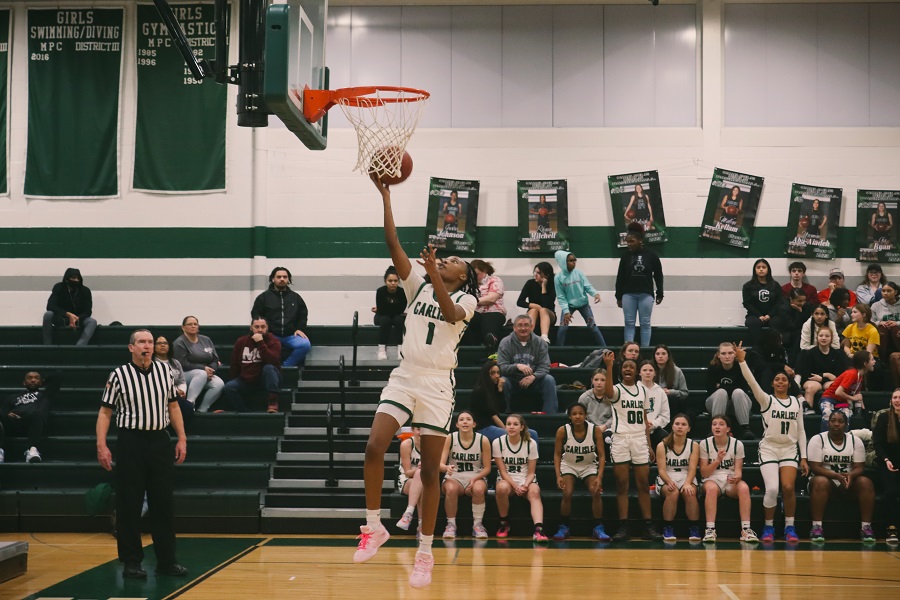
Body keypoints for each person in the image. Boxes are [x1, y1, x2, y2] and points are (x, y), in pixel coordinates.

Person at [354, 176, 478, 589]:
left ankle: (425, 552)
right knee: (374, 446)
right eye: (443, 260)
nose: (445, 262)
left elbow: (449, 314)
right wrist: (387, 196)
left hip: (438, 385)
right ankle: (374, 526)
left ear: (464, 277)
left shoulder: (466, 300)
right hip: (405, 375)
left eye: (453, 263)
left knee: (429, 474)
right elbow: (393, 245)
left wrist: (435, 277)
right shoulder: (417, 283)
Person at [95, 329, 188, 580]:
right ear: (131, 348)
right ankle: (132, 561)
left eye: (149, 341)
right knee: (129, 503)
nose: (147, 346)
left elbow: (173, 405)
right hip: (130, 441)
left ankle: (167, 561)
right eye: (141, 342)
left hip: (160, 440)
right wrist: (101, 445)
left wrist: (181, 438)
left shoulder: (164, 371)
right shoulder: (118, 375)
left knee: (163, 504)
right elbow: (105, 412)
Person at [735, 342, 808, 543]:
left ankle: (789, 527)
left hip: (789, 449)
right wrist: (742, 361)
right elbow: (751, 383)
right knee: (773, 489)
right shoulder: (766, 400)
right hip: (769, 449)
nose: (781, 382)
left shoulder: (796, 402)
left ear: (789, 383)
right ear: (773, 383)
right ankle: (768, 527)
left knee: (788, 488)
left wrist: (804, 457)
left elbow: (801, 430)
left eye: (784, 379)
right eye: (777, 379)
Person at [601, 350, 662, 541]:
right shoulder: (617, 389)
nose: (628, 369)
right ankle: (623, 526)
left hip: (639, 439)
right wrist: (609, 366)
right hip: (620, 438)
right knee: (622, 485)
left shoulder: (643, 390)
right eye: (625, 366)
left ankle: (647, 526)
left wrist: (649, 444)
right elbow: (608, 392)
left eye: (632, 367)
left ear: (636, 372)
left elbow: (644, 419)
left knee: (643, 484)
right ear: (621, 370)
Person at [807, 411, 875, 543]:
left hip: (848, 482)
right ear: (828, 423)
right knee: (820, 481)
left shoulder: (855, 441)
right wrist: (836, 476)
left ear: (846, 424)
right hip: (825, 483)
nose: (836, 424)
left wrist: (850, 475)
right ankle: (816, 527)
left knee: (866, 483)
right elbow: (815, 467)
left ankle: (866, 527)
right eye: (833, 421)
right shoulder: (818, 439)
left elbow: (859, 467)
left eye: (840, 421)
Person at [552, 403, 609, 541]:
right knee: (567, 492)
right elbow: (557, 454)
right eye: (574, 414)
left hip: (589, 465)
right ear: (569, 416)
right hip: (569, 465)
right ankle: (564, 526)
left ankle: (598, 527)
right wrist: (558, 475)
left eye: (581, 413)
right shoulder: (562, 430)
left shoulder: (594, 430)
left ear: (586, 415)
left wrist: (599, 476)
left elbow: (602, 455)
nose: (578, 416)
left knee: (595, 491)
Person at [699, 414, 758, 543]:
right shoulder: (705, 444)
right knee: (712, 489)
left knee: (744, 487)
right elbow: (704, 473)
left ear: (728, 429)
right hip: (711, 478)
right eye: (714, 424)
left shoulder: (737, 444)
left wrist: (737, 477)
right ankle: (710, 529)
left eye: (721, 424)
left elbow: (738, 471)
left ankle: (746, 529)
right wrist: (718, 460)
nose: (717, 427)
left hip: (729, 479)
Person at [492, 414, 546, 541]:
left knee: (534, 491)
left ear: (522, 427)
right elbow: (503, 472)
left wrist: (525, 485)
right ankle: (503, 524)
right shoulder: (498, 442)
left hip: (526, 478)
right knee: (501, 488)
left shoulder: (530, 443)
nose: (511, 427)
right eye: (509, 424)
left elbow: (531, 472)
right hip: (507, 479)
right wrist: (516, 486)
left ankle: (539, 529)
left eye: (515, 424)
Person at [440, 411, 491, 539]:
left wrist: (475, 478)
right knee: (450, 489)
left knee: (478, 489)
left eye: (468, 419)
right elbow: (440, 464)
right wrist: (446, 467)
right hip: (455, 477)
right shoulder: (450, 438)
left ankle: (478, 525)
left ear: (474, 424)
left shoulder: (482, 440)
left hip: (476, 476)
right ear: (457, 424)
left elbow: (487, 468)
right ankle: (451, 525)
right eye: (461, 419)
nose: (465, 422)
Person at [615, 222, 664, 347]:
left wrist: (660, 293)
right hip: (628, 294)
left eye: (632, 241)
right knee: (629, 323)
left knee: (645, 323)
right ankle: (628, 350)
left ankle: (645, 349)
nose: (629, 244)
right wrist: (618, 296)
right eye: (627, 242)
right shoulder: (625, 256)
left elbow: (658, 275)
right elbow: (620, 276)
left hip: (645, 293)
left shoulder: (652, 255)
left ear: (640, 240)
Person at [496, 315, 558, 414]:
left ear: (531, 327)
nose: (523, 328)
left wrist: (533, 376)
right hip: (512, 380)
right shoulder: (505, 342)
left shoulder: (540, 342)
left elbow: (545, 366)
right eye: (520, 325)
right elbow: (501, 367)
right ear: (514, 327)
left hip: (534, 380)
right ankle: (504, 413)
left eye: (526, 325)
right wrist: (516, 366)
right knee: (503, 381)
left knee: (549, 380)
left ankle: (550, 414)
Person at [252, 266, 311, 367]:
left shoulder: (295, 297)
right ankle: (273, 368)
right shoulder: (263, 298)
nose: (282, 279)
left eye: (285, 277)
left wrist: (300, 328)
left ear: (288, 279)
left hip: (291, 335)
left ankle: (286, 367)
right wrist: (263, 331)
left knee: (305, 345)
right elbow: (256, 315)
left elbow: (303, 314)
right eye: (279, 277)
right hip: (271, 335)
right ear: (273, 279)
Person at [656, 414, 701, 542]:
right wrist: (669, 481)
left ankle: (694, 527)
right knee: (673, 492)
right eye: (677, 424)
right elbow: (661, 470)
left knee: (690, 492)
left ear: (689, 429)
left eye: (683, 424)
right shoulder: (662, 445)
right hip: (667, 476)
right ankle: (668, 527)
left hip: (686, 476)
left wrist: (687, 483)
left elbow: (692, 468)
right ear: (672, 426)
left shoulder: (694, 445)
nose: (680, 427)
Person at [222, 318, 282, 413]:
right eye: (257, 327)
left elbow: (272, 360)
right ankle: (244, 412)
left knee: (269, 368)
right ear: (251, 328)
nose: (260, 330)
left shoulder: (274, 341)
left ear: (267, 328)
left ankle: (272, 402)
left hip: (266, 379)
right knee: (229, 387)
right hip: (247, 379)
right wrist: (234, 379)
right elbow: (234, 364)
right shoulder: (241, 341)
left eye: (263, 327)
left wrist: (260, 342)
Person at [0, 370, 59, 463]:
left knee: (36, 413)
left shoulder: (46, 395)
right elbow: (3, 411)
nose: (33, 380)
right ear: (24, 382)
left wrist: (43, 381)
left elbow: (58, 375)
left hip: (33, 423)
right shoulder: (13, 397)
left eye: (36, 378)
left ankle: (32, 450)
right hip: (13, 423)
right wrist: (7, 414)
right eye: (29, 378)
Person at [553, 250, 605, 347]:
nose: (574, 262)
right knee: (562, 328)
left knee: (592, 326)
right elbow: (561, 296)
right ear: (563, 262)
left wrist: (595, 294)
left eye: (575, 260)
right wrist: (566, 311)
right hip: (569, 306)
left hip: (583, 304)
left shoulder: (579, 273)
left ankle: (605, 348)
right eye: (570, 260)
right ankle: (558, 350)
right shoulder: (558, 278)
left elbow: (587, 286)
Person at [173, 316, 225, 412]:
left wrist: (211, 370)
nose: (193, 326)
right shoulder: (179, 342)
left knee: (219, 384)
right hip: (185, 374)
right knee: (201, 373)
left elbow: (215, 359)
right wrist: (203, 369)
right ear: (183, 327)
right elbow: (182, 363)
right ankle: (189, 404)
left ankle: (202, 409)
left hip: (205, 373)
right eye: (189, 324)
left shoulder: (206, 340)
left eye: (195, 324)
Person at [706, 342, 754, 440]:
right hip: (717, 403)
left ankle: (745, 428)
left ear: (735, 354)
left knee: (738, 392)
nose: (727, 356)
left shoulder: (741, 366)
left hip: (738, 403)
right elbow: (710, 390)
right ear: (718, 355)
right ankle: (715, 427)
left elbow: (744, 389)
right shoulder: (713, 368)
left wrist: (720, 386)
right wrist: (728, 388)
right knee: (721, 393)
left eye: (730, 353)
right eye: (723, 353)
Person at [796, 328, 849, 415]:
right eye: (821, 336)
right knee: (810, 387)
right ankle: (807, 411)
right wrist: (826, 375)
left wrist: (822, 378)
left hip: (827, 381)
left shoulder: (837, 354)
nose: (823, 338)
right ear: (817, 338)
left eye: (827, 336)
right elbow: (807, 374)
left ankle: (837, 410)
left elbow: (838, 375)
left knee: (835, 386)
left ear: (831, 338)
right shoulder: (810, 353)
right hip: (812, 380)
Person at [820, 350, 875, 431]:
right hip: (829, 398)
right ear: (865, 363)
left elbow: (856, 392)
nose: (874, 361)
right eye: (872, 359)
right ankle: (825, 439)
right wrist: (853, 398)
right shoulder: (852, 374)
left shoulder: (860, 376)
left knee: (845, 416)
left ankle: (842, 439)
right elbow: (838, 392)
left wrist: (863, 408)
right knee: (827, 414)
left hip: (842, 401)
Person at [42, 267, 97, 346]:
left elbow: (88, 311)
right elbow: (50, 306)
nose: (76, 280)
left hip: (79, 319)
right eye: (73, 278)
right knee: (48, 315)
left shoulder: (85, 291)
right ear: (67, 279)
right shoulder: (59, 287)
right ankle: (47, 346)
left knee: (92, 322)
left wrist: (76, 318)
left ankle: (79, 347)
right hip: (61, 318)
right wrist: (67, 314)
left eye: (78, 278)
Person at [873, 389, 900, 545]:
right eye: (895, 397)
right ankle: (891, 528)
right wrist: (886, 459)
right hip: (887, 462)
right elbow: (878, 443)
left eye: (899, 398)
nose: (897, 400)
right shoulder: (884, 418)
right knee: (891, 491)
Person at [467, 259, 507, 351]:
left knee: (489, 326)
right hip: (476, 312)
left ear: (484, 271)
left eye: (476, 274)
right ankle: (472, 349)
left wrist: (472, 300)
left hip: (494, 311)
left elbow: (492, 298)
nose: (473, 276)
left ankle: (491, 345)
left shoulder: (494, 280)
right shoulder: (469, 283)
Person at [742, 258, 781, 346]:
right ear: (754, 270)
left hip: (772, 316)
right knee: (753, 323)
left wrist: (769, 315)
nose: (761, 269)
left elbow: (779, 303)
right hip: (754, 316)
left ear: (768, 269)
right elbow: (747, 303)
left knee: (777, 322)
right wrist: (759, 315)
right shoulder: (748, 286)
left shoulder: (775, 285)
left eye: (764, 267)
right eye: (758, 267)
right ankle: (758, 348)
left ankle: (774, 348)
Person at [152, 336, 191, 423]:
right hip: (160, 394)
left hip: (176, 394)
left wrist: (182, 390)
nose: (162, 345)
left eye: (165, 343)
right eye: (159, 343)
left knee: (188, 407)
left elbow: (182, 380)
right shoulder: (151, 363)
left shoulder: (175, 362)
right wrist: (176, 391)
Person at [372, 266, 407, 361]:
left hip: (396, 316)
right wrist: (384, 309)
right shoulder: (380, 291)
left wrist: (385, 308)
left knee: (399, 320)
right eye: (390, 281)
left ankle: (401, 348)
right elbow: (382, 310)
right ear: (385, 281)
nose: (392, 283)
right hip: (382, 317)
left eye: (395, 281)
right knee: (385, 319)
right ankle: (382, 349)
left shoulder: (402, 292)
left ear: (398, 281)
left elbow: (401, 309)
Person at [516, 262, 556, 344]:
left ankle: (544, 337)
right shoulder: (530, 283)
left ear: (546, 275)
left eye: (539, 273)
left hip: (549, 315)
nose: (535, 275)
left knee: (543, 310)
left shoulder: (552, 285)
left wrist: (543, 287)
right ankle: (528, 335)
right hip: (534, 314)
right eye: (535, 272)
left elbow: (546, 305)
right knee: (534, 310)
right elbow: (519, 302)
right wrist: (533, 305)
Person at [395, 427, 423, 535]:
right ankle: (422, 526)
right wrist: (419, 469)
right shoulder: (407, 444)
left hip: (426, 480)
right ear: (413, 429)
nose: (420, 432)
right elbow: (407, 472)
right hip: (407, 480)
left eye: (423, 429)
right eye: (418, 429)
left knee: (422, 482)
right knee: (419, 475)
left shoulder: (431, 445)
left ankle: (408, 514)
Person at [772, 288, 812, 363]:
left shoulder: (807, 306)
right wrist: (799, 312)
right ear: (791, 299)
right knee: (799, 335)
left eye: (804, 301)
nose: (802, 303)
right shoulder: (783, 308)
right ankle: (793, 363)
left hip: (802, 331)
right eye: (799, 301)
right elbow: (791, 326)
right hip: (786, 333)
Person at [872, 282, 900, 388]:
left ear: (895, 292)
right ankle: (883, 359)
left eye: (889, 291)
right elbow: (871, 321)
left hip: (897, 334)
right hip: (883, 336)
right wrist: (880, 323)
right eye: (883, 291)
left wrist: (896, 323)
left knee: (894, 328)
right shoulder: (876, 305)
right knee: (883, 328)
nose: (885, 293)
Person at [639, 360, 670, 447]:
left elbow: (665, 415)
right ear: (639, 373)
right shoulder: (634, 390)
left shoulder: (660, 392)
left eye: (651, 370)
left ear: (655, 373)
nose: (648, 373)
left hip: (654, 428)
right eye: (644, 370)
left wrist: (653, 424)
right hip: (636, 429)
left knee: (666, 438)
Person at [653, 345, 690, 417]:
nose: (660, 356)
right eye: (657, 354)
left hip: (671, 401)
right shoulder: (649, 370)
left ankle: (671, 426)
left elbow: (685, 393)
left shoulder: (677, 371)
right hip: (653, 399)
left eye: (663, 354)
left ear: (668, 356)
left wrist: (671, 392)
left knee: (671, 399)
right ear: (654, 356)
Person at [578, 368, 612, 441]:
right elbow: (580, 415)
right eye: (596, 380)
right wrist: (591, 428)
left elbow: (616, 416)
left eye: (602, 380)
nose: (599, 383)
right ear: (592, 381)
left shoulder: (612, 396)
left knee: (607, 438)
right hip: (588, 428)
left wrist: (605, 426)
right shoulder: (584, 397)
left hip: (608, 429)